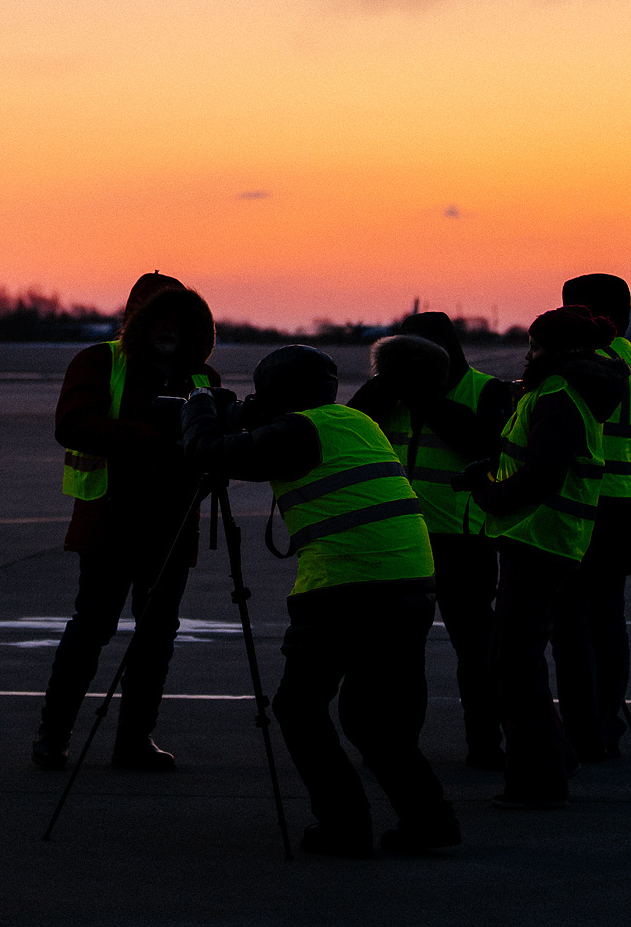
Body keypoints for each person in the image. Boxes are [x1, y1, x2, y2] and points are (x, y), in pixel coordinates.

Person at [181, 346, 460, 858]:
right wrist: (246, 414)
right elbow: (268, 437)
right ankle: (429, 819)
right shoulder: (353, 422)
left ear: (278, 396)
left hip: (346, 587)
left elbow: (213, 454)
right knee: (372, 719)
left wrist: (198, 405)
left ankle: (344, 825)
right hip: (408, 581)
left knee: (298, 708)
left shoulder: (295, 432)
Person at [34, 276, 219, 772]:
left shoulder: (204, 379)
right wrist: (151, 438)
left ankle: (135, 739)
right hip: (109, 521)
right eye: (155, 318)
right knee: (93, 627)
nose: (167, 329)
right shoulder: (99, 362)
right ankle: (54, 735)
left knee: (157, 635)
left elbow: (215, 446)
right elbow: (71, 424)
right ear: (136, 322)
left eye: (176, 318)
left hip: (173, 527)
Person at [464, 306, 624, 809]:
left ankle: (537, 780)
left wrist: (488, 494)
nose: (528, 353)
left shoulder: (554, 397)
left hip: (539, 541)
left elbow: (543, 474)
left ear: (553, 351)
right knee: (516, 660)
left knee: (514, 667)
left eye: (534, 344)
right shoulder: (563, 394)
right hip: (549, 541)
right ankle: (555, 755)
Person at [346, 312, 513, 768]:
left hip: (462, 542)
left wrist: (428, 399)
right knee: (398, 655)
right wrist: (386, 388)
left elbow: (484, 444)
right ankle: (398, 744)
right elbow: (349, 431)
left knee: (476, 651)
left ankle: (485, 741)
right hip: (398, 539)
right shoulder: (388, 393)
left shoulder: (488, 391)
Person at [547, 274, 631, 761]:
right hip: (624, 499)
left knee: (572, 621)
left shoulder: (592, 361)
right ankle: (604, 721)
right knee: (608, 618)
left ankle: (583, 726)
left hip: (588, 499)